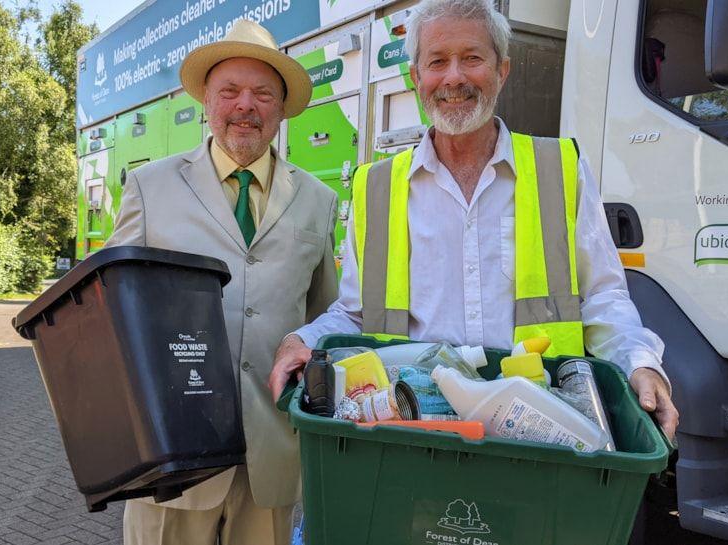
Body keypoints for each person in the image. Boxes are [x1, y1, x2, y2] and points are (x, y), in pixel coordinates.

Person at [269, 0, 679, 440]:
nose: (454, 78)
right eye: (437, 62)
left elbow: (601, 296)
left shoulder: (557, 169)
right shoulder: (377, 187)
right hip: (414, 428)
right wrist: (304, 340)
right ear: (416, 78)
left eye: (472, 58)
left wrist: (640, 364)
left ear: (502, 71)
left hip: (537, 426)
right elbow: (356, 315)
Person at [105, 19, 337, 545]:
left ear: (281, 108)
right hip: (171, 458)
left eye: (261, 93)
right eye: (229, 91)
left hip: (272, 458)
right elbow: (111, 314)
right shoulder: (149, 186)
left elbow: (326, 315)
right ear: (207, 102)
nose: (244, 106)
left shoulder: (319, 200)